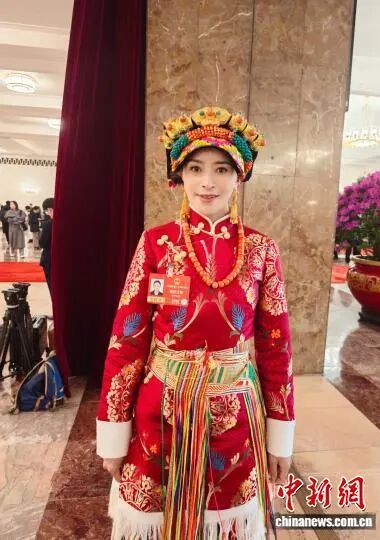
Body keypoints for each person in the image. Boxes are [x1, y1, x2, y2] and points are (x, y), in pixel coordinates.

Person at [97, 107, 295, 539]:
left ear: (239, 176)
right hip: (161, 411)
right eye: (195, 168)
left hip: (234, 415)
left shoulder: (261, 249)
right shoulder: (156, 243)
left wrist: (280, 437)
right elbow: (127, 341)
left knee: (226, 524)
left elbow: (276, 347)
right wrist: (114, 434)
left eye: (222, 169)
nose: (208, 182)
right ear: (179, 176)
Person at [39, 198, 54, 294]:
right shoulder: (69, 222)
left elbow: (43, 243)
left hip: (50, 258)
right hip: (66, 259)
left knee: (52, 286)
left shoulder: (48, 224)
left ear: (50, 209)